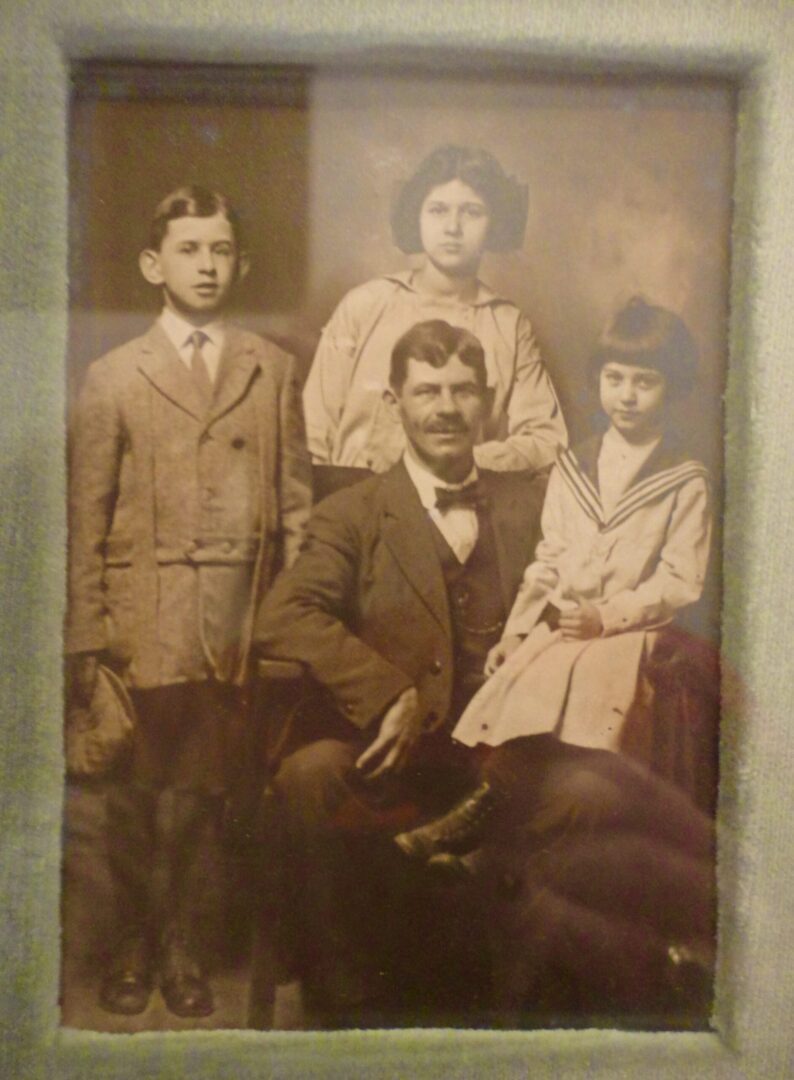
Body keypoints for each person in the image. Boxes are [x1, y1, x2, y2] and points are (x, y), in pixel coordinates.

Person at [252, 318, 547, 1023]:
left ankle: (523, 1016)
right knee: (309, 774)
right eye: (426, 391)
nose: (446, 408)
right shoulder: (352, 513)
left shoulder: (533, 505)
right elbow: (284, 614)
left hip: (501, 753)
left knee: (585, 785)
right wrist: (391, 692)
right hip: (389, 747)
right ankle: (351, 1007)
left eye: (463, 390)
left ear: (488, 400)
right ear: (395, 401)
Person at [65, 186, 311, 1018]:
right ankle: (137, 940)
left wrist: (289, 617)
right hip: (145, 622)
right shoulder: (113, 377)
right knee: (139, 798)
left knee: (206, 798)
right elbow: (84, 519)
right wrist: (87, 635)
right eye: (187, 250)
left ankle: (183, 946)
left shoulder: (270, 368)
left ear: (239, 263)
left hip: (235, 624)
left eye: (219, 251)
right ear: (152, 264)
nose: (205, 266)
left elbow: (299, 504)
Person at [394, 296, 713, 872]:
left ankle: (481, 840)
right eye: (615, 379)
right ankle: (479, 829)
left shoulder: (684, 478)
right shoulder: (574, 464)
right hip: (565, 630)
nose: (628, 395)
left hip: (629, 638)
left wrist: (608, 616)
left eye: (647, 382)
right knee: (519, 720)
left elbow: (680, 579)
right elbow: (549, 560)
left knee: (575, 754)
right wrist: (517, 633)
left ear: (675, 389)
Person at [303, 144, 567, 473]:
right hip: (354, 503)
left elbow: (547, 440)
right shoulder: (365, 305)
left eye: (472, 212)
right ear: (417, 216)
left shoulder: (507, 325)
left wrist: (464, 462)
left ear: (494, 222)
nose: (453, 227)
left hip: (462, 505)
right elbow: (310, 432)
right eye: (438, 210)